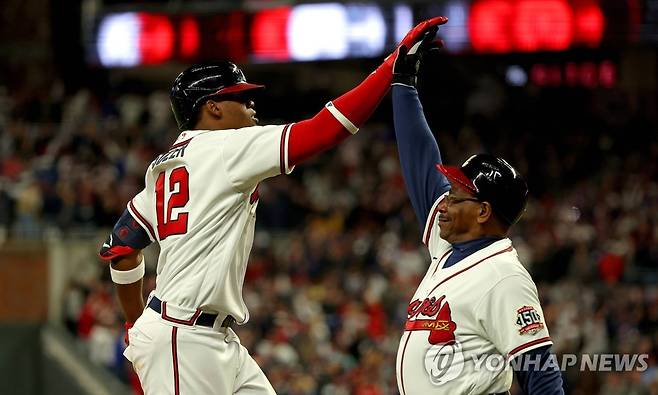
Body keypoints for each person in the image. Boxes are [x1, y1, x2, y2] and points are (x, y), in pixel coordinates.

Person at [97, 16, 448, 395]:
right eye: (240, 98)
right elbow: (325, 129)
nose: (252, 106)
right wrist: (388, 68)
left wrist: (134, 322)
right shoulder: (226, 148)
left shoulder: (166, 167)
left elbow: (122, 246)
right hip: (183, 338)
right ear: (212, 108)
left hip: (206, 337)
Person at [390, 28, 565, 394]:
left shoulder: (504, 277)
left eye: (455, 195)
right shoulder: (448, 248)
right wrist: (403, 84)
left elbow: (542, 376)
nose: (444, 203)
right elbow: (421, 162)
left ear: (484, 211)